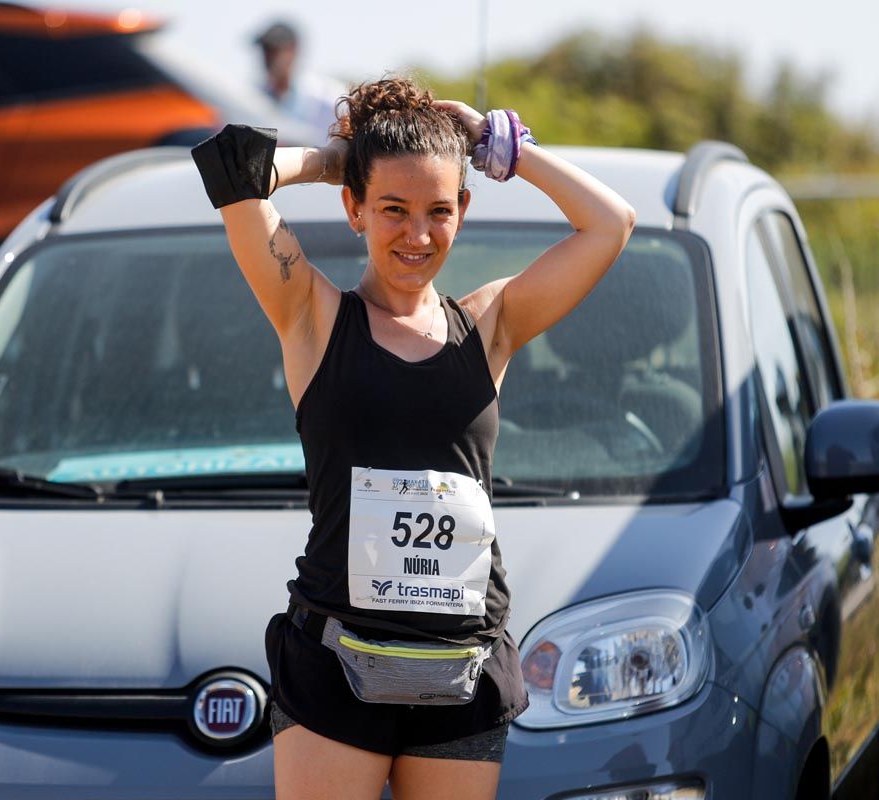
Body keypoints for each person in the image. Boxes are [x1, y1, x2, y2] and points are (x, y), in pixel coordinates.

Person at [191, 77, 635, 800]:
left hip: (462, 663)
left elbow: (611, 223)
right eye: (393, 210)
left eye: (438, 210)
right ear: (354, 210)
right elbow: (232, 170)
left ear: (463, 210)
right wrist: (342, 160)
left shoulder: (490, 326)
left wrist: (501, 148)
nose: (418, 235)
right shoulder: (310, 311)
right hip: (337, 657)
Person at [253, 20, 342, 135]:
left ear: (293, 50)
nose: (268, 57)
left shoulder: (328, 99)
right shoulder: (254, 97)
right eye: (265, 50)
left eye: (274, 50)